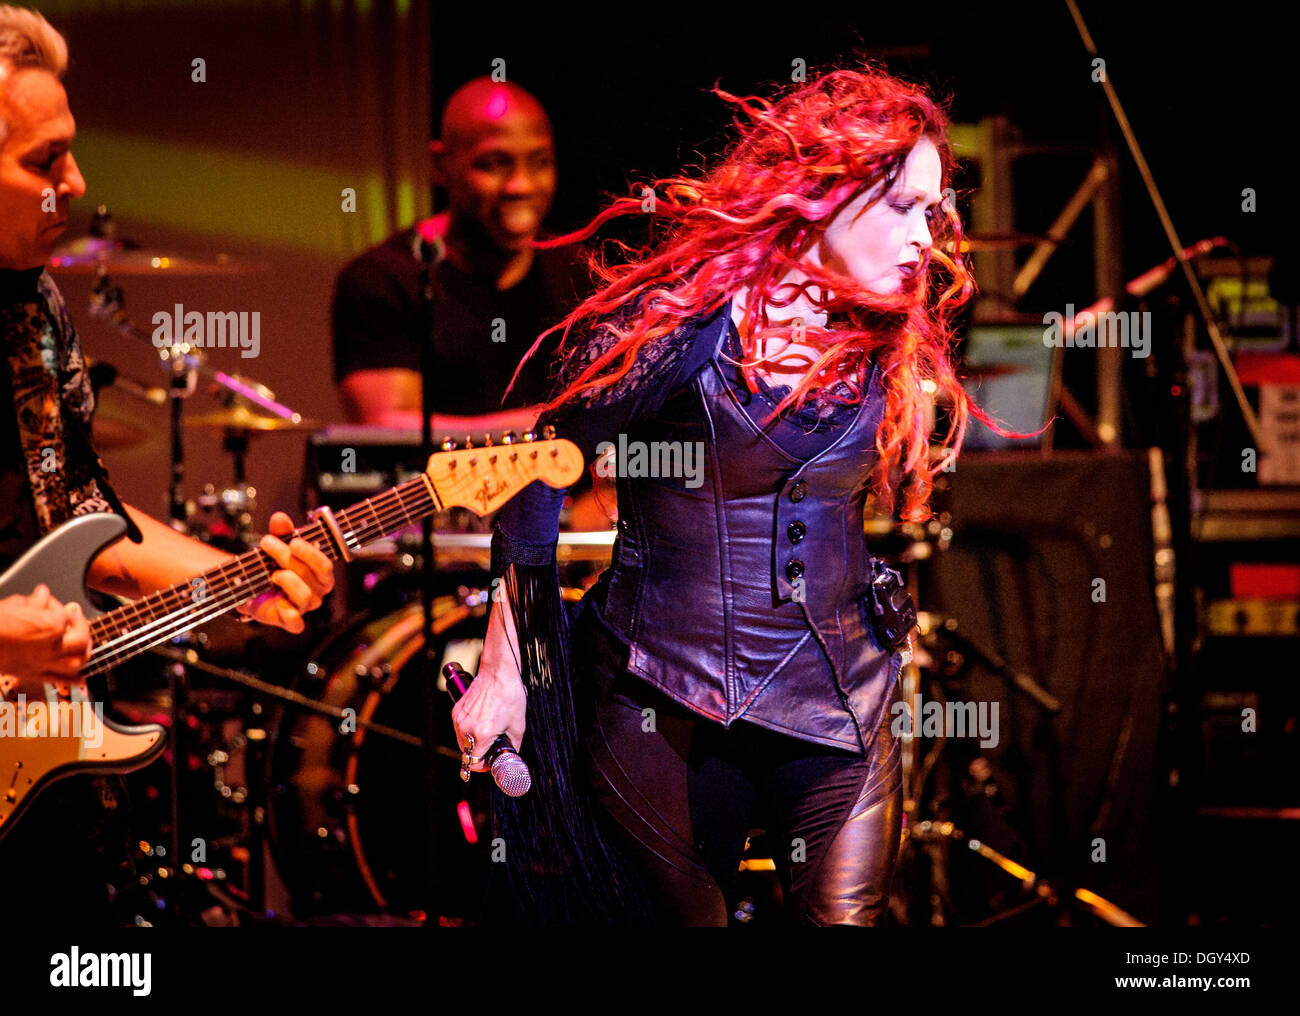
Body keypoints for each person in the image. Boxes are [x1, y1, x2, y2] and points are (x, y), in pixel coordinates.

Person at [452, 65, 999, 926]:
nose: (924, 237)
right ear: (821, 196)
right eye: (901, 208)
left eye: (932, 212)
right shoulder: (681, 327)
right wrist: (506, 666)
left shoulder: (885, 340)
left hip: (839, 697)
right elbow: (535, 475)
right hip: (661, 692)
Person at [0, 5, 334, 923]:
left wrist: (243, 583)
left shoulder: (33, 310)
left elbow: (81, 520)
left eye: (68, 150)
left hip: (35, 782)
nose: (76, 181)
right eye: (41, 162)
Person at [331, 76, 587, 438]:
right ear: (441, 165)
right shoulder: (383, 278)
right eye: (494, 164)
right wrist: (546, 426)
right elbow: (386, 428)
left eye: (540, 162)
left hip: (559, 495)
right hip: (433, 495)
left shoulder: (580, 273)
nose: (521, 185)